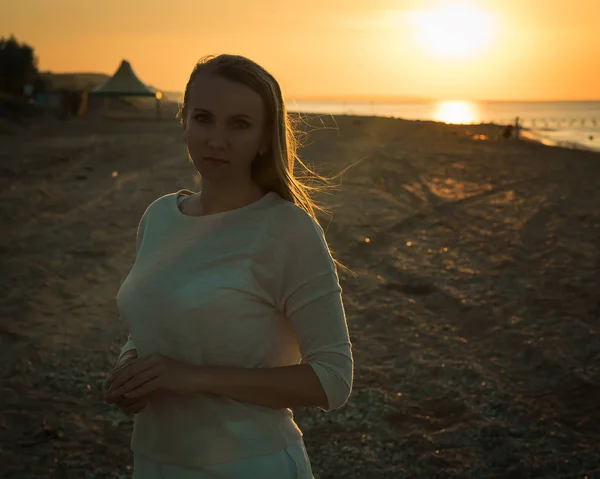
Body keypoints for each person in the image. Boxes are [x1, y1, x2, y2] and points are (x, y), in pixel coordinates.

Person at [101, 54, 354, 478]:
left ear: (263, 137)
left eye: (239, 123)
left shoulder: (288, 230)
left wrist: (190, 378)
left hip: (251, 464)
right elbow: (160, 316)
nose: (216, 139)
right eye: (203, 118)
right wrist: (132, 366)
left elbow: (333, 380)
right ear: (183, 121)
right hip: (153, 461)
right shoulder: (160, 216)